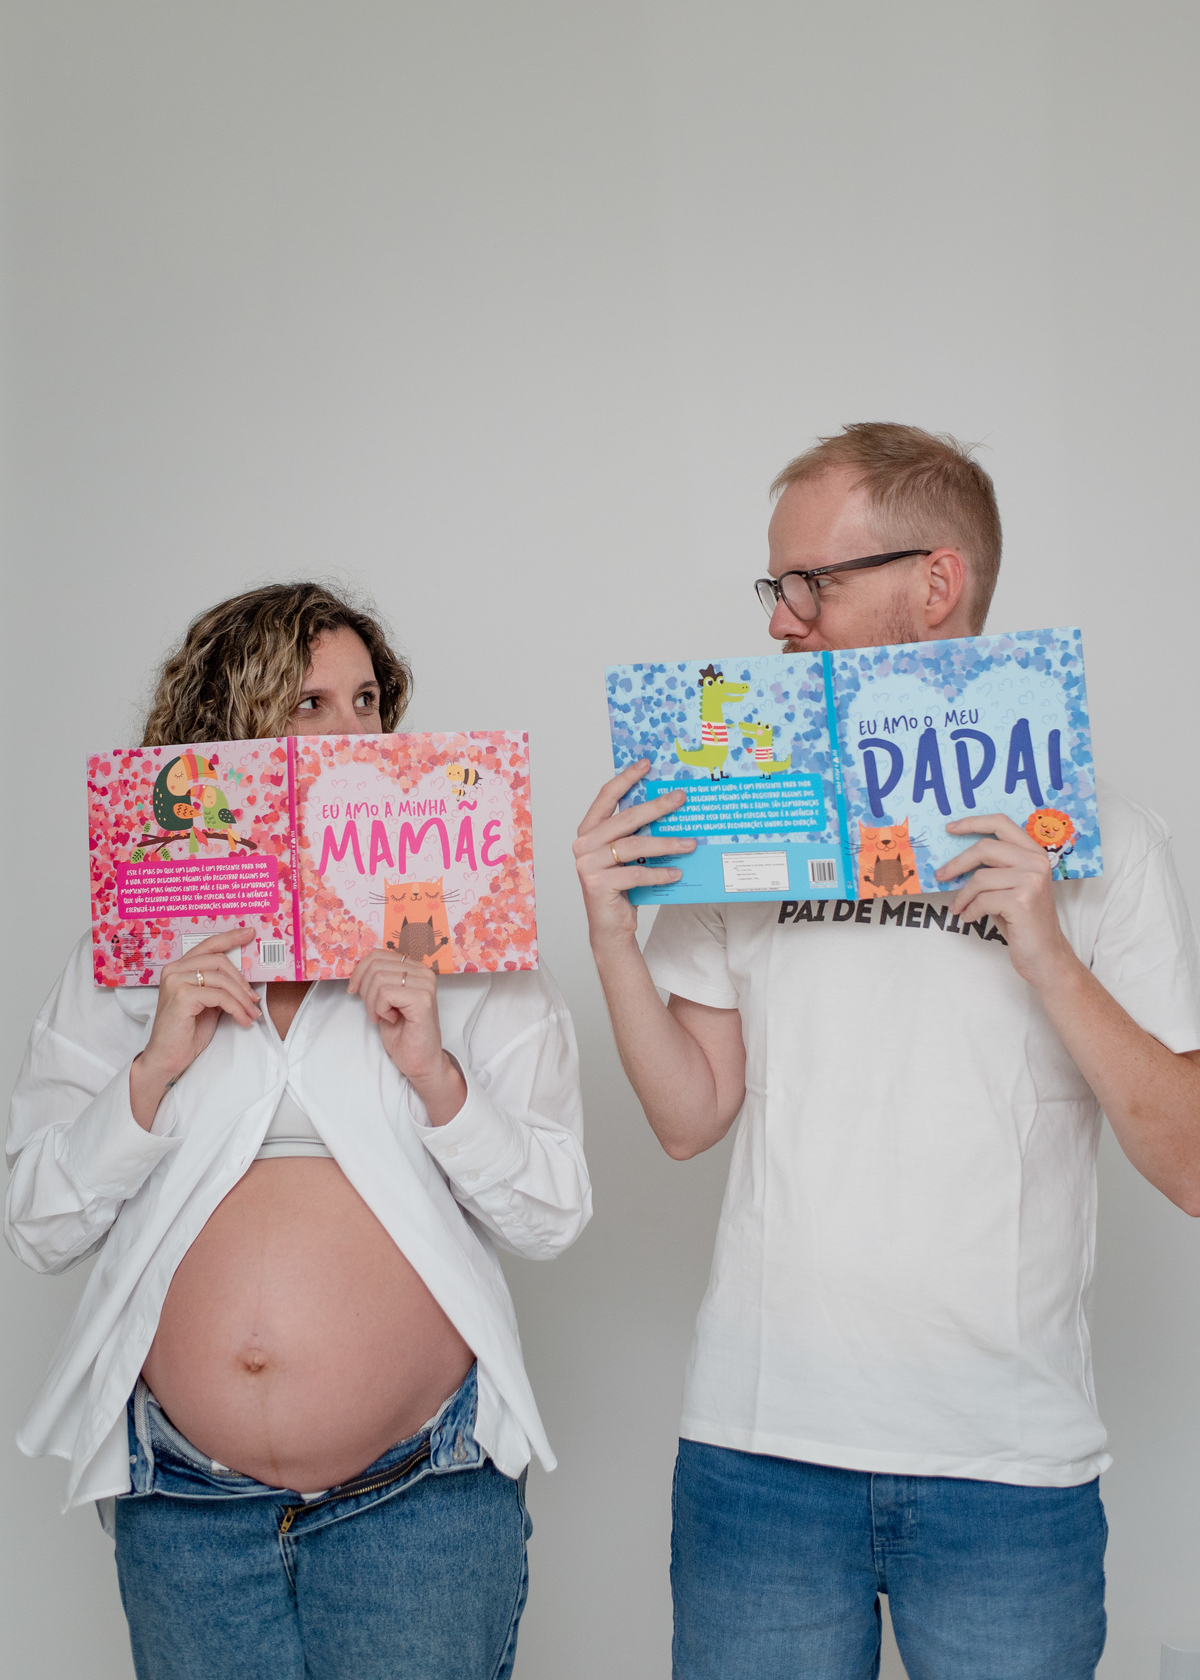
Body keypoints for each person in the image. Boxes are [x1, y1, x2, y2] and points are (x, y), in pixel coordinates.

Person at [573, 423, 1200, 1680]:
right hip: (759, 1455)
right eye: (775, 586)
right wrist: (608, 933)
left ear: (936, 583)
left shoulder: (1105, 845)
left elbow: (1189, 1164)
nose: (781, 620)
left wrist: (1046, 951)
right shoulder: (746, 820)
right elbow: (691, 1117)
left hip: (1007, 1470)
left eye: (813, 583)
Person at [7, 581, 591, 1680]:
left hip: (419, 1501)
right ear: (222, 729)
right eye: (307, 703)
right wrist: (153, 1070)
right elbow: (37, 1225)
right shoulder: (130, 950)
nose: (347, 731)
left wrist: (436, 1075)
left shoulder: (465, 929)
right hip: (188, 1511)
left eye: (366, 702)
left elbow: (553, 1212)